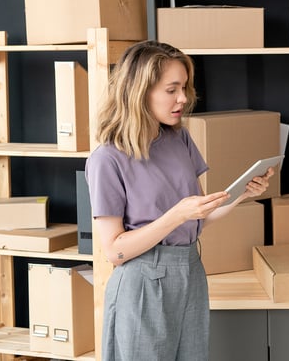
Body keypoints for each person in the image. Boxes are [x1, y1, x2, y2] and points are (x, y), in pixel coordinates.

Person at [85, 40, 273, 361]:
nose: (183, 99)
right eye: (171, 90)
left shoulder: (178, 137)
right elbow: (114, 250)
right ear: (139, 91)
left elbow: (196, 218)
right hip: (142, 282)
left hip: (190, 271)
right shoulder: (107, 159)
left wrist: (243, 193)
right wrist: (176, 215)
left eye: (184, 87)